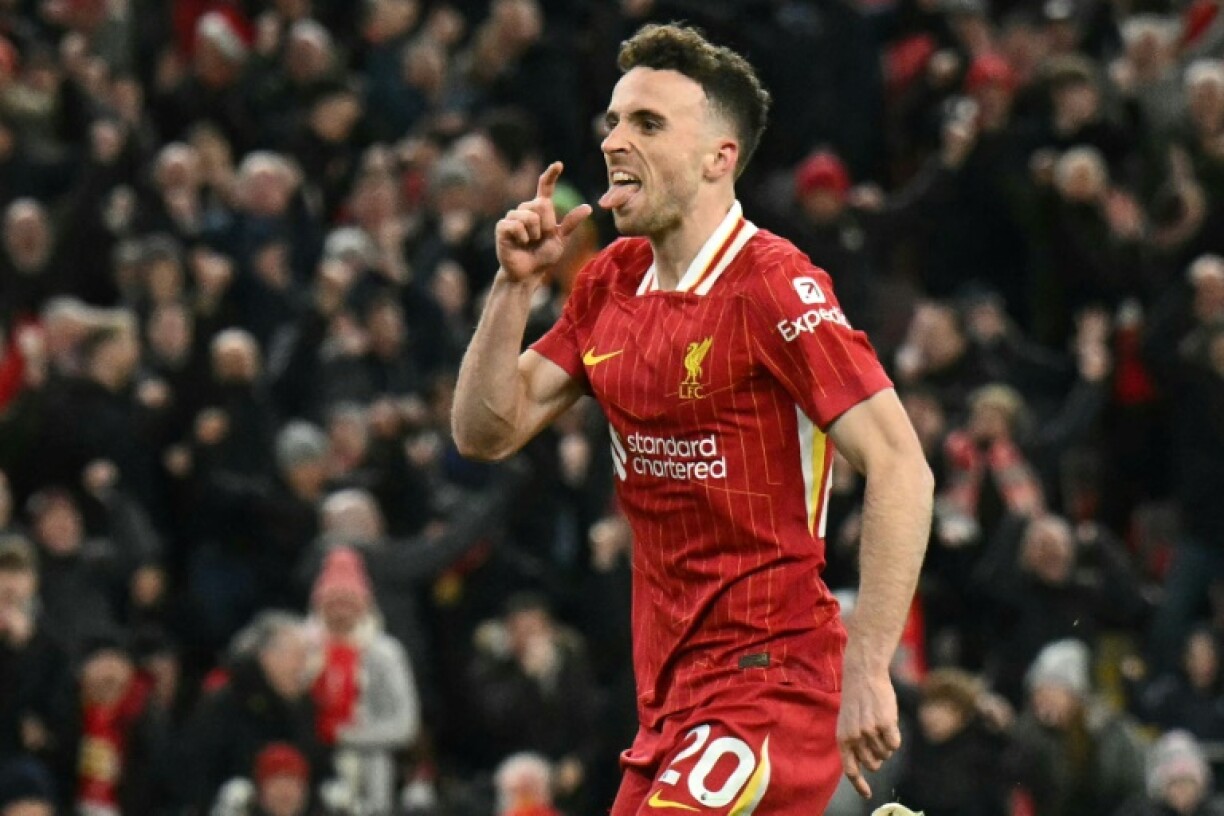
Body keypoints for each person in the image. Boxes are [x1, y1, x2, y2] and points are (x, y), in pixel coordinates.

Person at [451, 22, 934, 814]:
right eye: (613, 120)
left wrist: (870, 666)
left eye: (647, 124)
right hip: (667, 701)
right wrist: (512, 289)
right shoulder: (611, 281)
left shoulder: (773, 286)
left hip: (770, 681)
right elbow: (484, 431)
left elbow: (900, 465)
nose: (614, 141)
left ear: (720, 158)